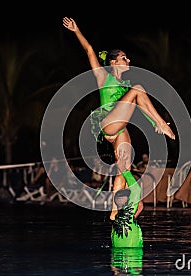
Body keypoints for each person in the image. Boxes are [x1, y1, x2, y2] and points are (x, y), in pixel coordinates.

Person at [63, 17, 175, 220]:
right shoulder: (103, 77)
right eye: (125, 58)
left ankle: (115, 212)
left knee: (123, 167)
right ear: (113, 62)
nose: (129, 60)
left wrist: (151, 122)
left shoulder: (125, 86)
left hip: (119, 130)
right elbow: (89, 50)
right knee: (138, 89)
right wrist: (76, 30)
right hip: (108, 123)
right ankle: (160, 127)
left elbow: (141, 107)